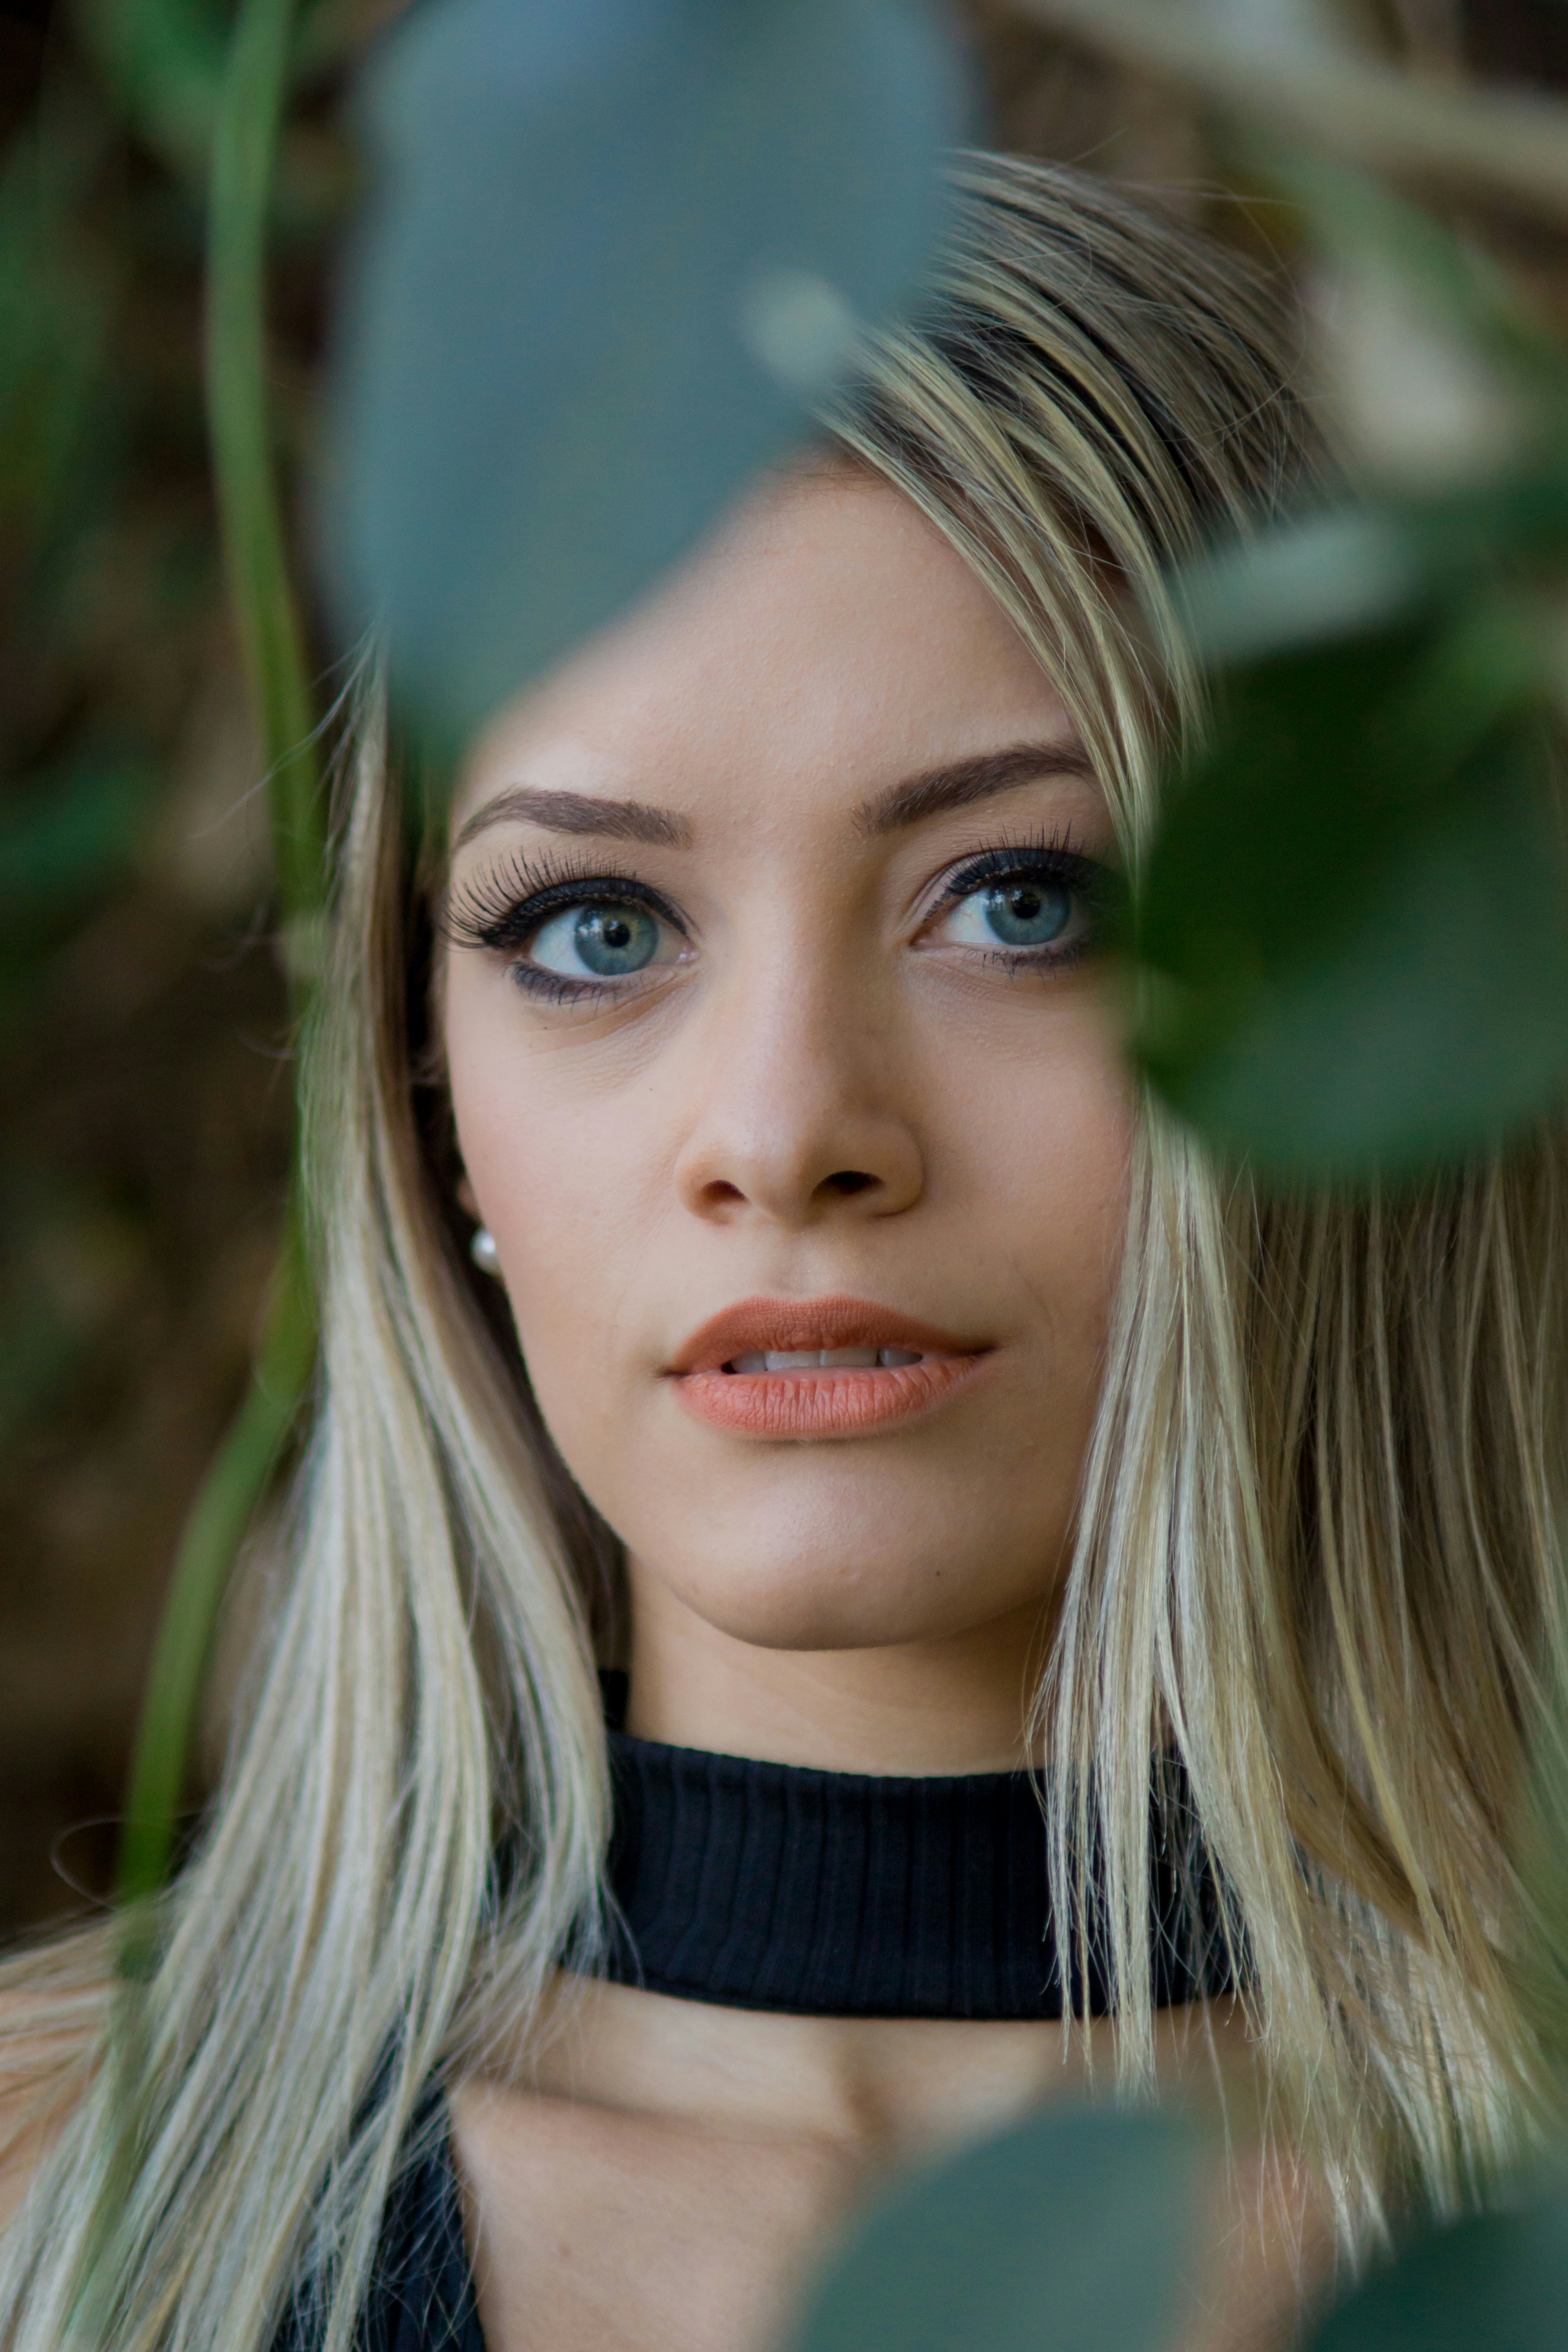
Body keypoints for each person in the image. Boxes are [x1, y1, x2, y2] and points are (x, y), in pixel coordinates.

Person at [0, 154, 1563, 2352]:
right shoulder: (65, 2203)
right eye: (596, 931)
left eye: (1023, 901)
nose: (783, 1133)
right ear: (429, 1107)